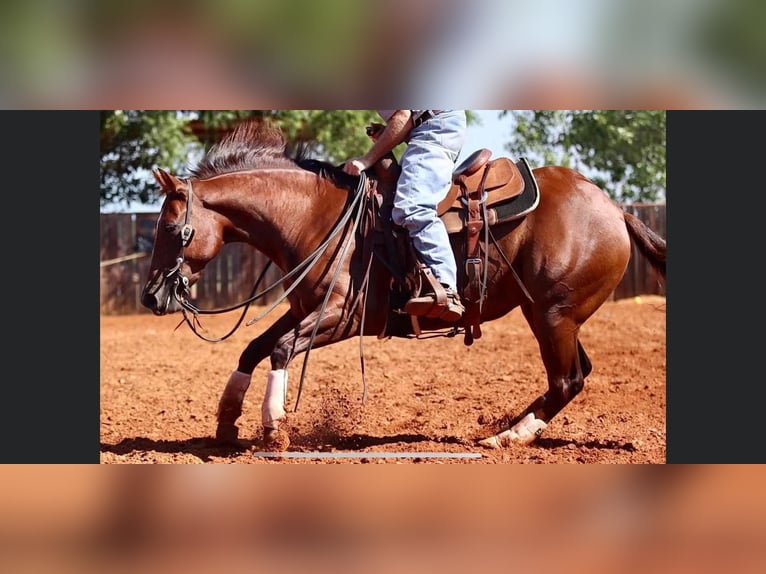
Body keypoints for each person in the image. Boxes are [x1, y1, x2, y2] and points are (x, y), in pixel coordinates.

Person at [342, 110, 467, 322]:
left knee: (413, 206)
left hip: (434, 131)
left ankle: (446, 286)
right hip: (431, 129)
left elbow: (402, 117)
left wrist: (366, 159)